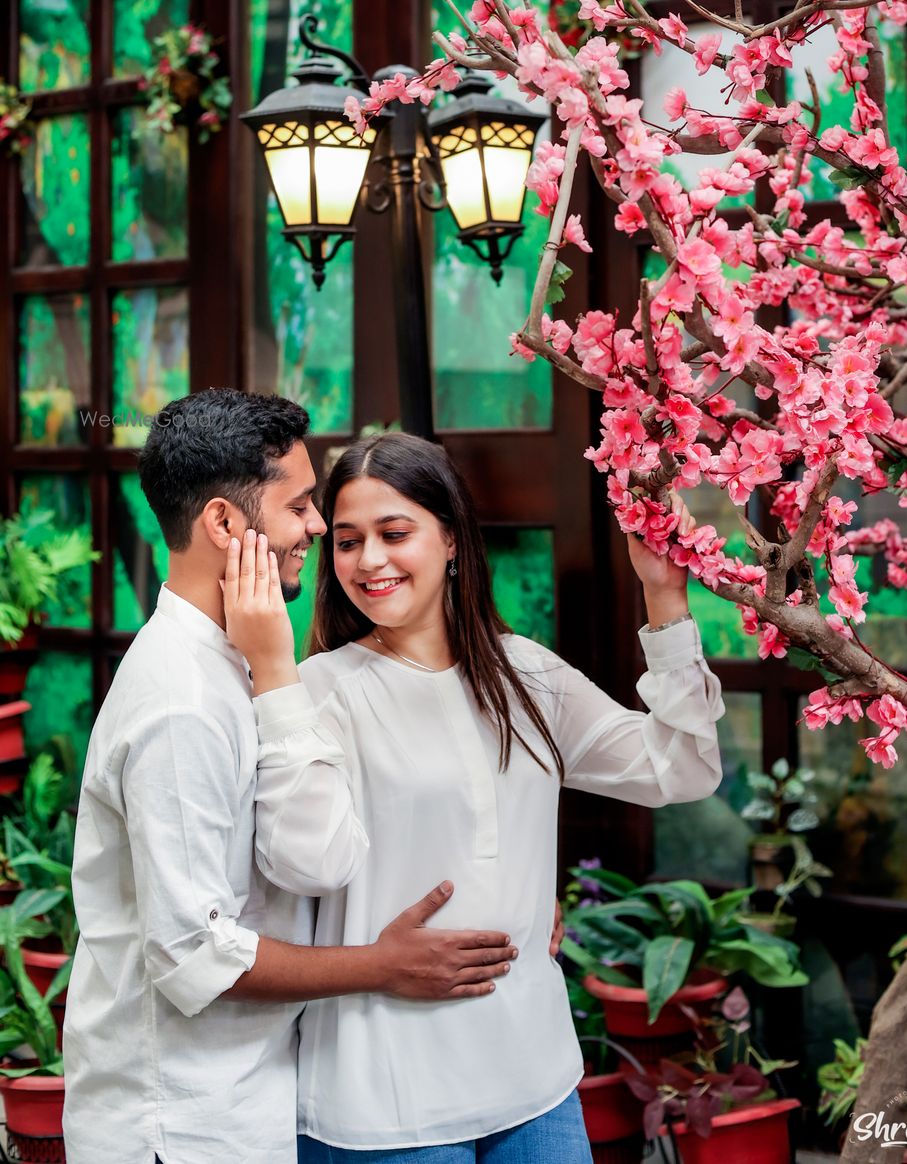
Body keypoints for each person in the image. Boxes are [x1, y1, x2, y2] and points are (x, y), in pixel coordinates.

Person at [227, 431, 725, 1163]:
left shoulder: (526, 674)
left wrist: (664, 596)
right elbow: (304, 864)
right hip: (382, 1097)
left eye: (395, 534)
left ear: (453, 538)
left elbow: (681, 768)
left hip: (533, 1075)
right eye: (347, 540)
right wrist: (273, 677)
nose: (369, 561)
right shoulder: (319, 691)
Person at [63, 392, 524, 1164]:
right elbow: (192, 956)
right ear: (223, 524)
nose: (317, 527)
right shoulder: (182, 703)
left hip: (249, 1099)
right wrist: (383, 966)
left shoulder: (240, 658)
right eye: (301, 505)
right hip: (179, 1127)